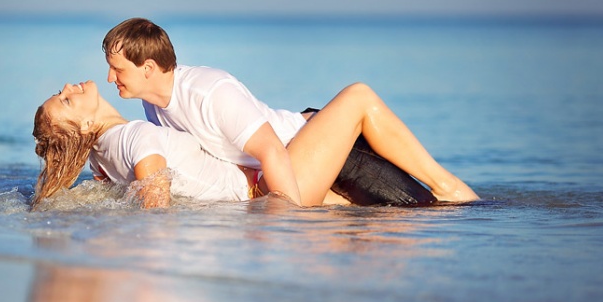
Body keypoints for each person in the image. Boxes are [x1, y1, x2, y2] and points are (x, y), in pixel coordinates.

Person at [100, 18, 478, 207]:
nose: (110, 77)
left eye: (117, 69)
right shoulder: (154, 106)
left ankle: (448, 183)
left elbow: (272, 151)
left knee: (358, 96)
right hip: (297, 164)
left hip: (311, 148)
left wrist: (286, 228)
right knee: (398, 224)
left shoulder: (208, 89)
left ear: (148, 68)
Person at [31, 80, 472, 210]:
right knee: (358, 97)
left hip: (258, 195)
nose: (69, 88)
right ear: (83, 124)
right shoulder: (137, 136)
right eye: (66, 100)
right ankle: (450, 185)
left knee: (393, 217)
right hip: (271, 189)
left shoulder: (102, 156)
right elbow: (155, 212)